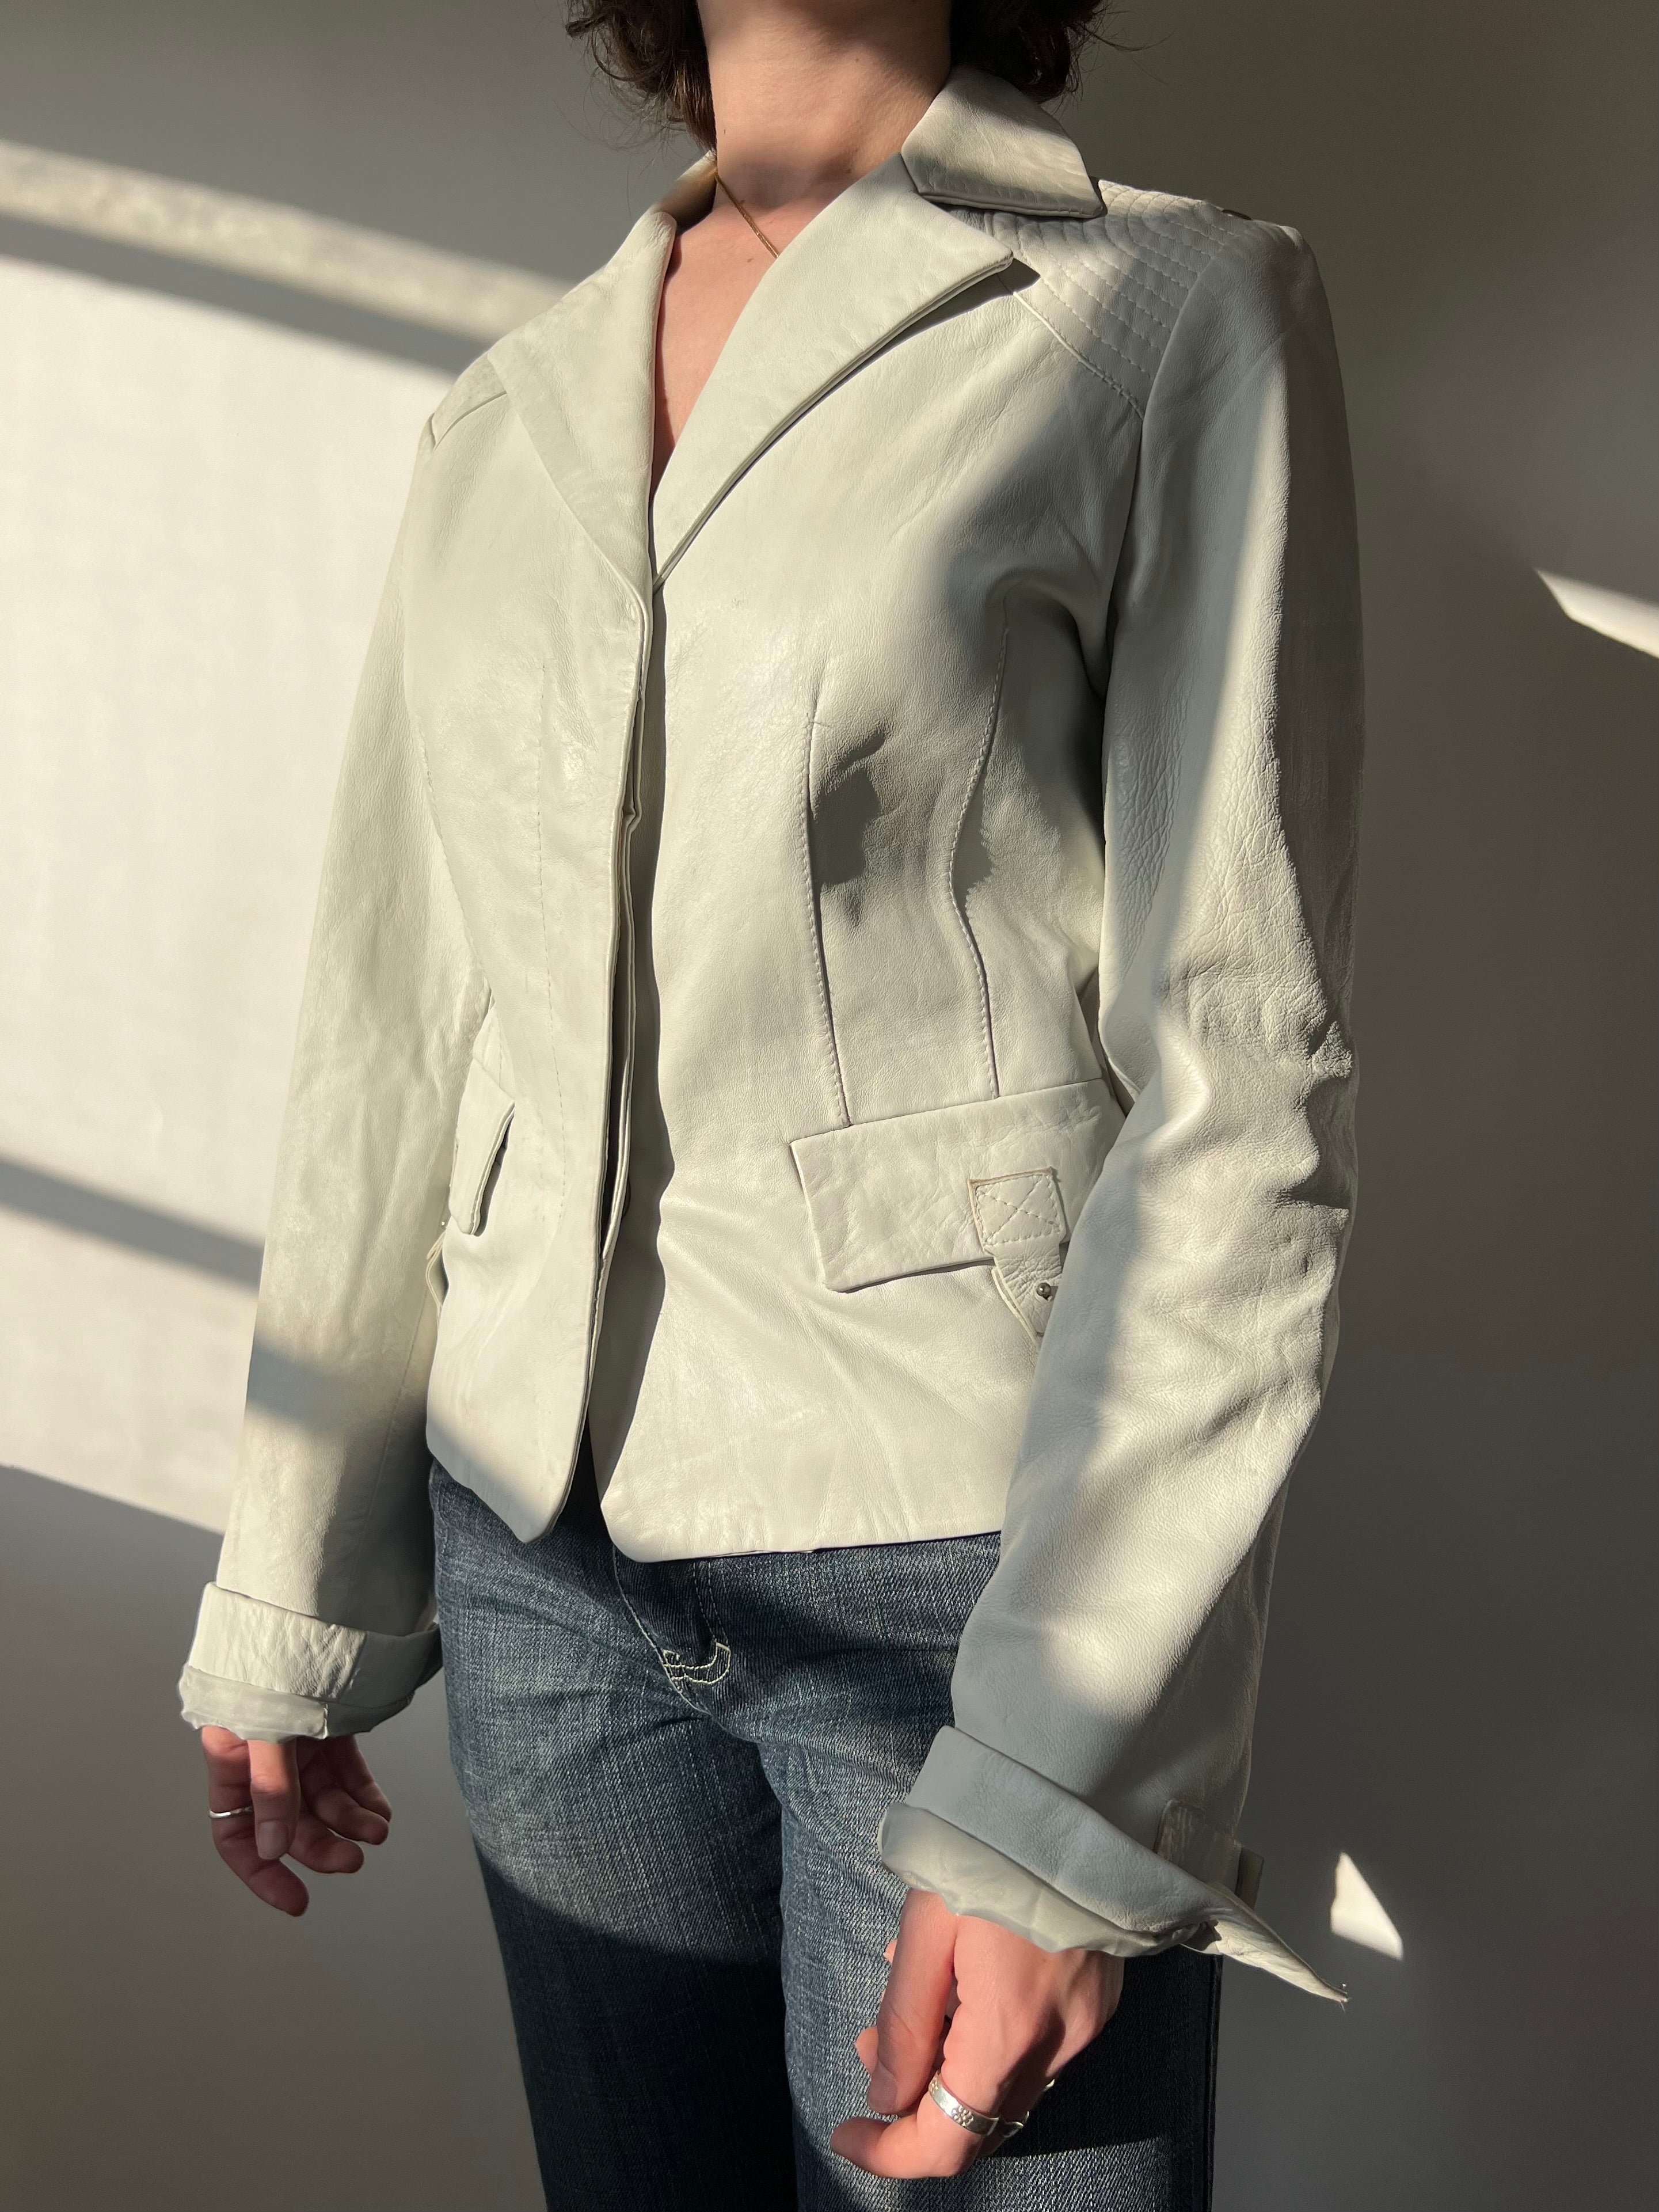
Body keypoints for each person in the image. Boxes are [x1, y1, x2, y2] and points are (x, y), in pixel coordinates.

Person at [180, 2, 1363, 2205]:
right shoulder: (512, 407)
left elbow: (1241, 1070)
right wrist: (293, 1574)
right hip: (533, 1550)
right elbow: (394, 1015)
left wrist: (1067, 1776)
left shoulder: (1161, 307)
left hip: (962, 1564)